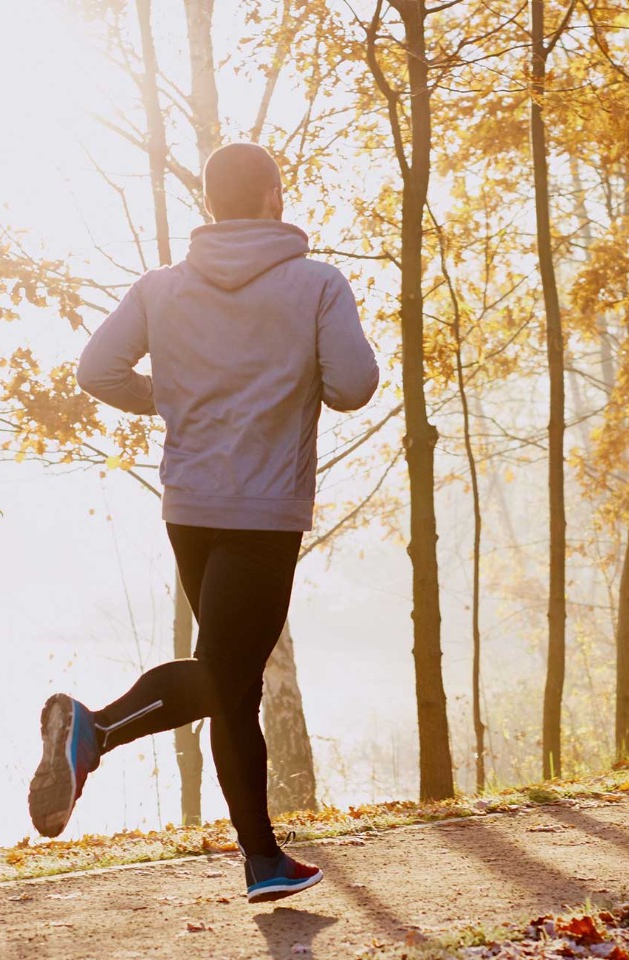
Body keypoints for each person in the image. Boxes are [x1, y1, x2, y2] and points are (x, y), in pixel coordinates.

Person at [26, 142, 378, 905]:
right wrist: (284, 381)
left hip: (189, 505)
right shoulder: (317, 285)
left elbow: (97, 372)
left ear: (213, 205)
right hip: (263, 509)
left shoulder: (161, 287)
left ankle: (263, 860)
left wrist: (180, 396)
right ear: (274, 198)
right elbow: (353, 385)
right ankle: (98, 730)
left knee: (230, 679)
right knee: (229, 674)